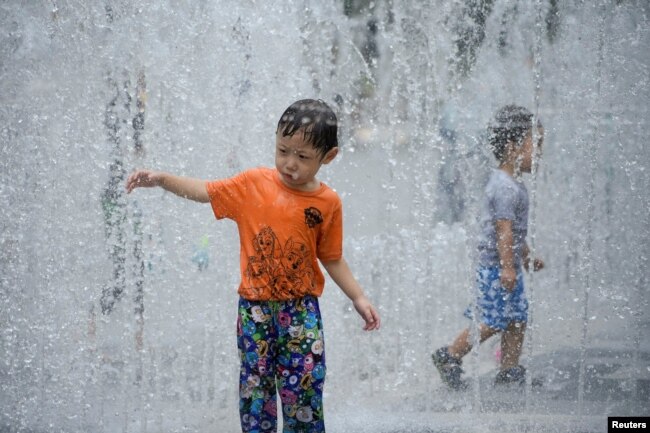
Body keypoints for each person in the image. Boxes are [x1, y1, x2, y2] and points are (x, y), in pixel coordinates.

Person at [125, 99, 381, 432]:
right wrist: (162, 179)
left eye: (302, 157)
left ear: (328, 157)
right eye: (283, 150)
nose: (289, 164)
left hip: (301, 313)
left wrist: (358, 297)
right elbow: (205, 191)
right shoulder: (252, 185)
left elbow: (330, 257)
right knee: (255, 393)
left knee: (303, 391)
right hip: (254, 313)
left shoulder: (327, 203)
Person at [432, 105, 545, 390]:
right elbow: (503, 231)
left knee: (517, 319)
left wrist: (527, 255)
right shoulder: (505, 187)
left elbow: (515, 232)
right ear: (512, 147)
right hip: (495, 267)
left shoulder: (513, 185)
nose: (541, 152)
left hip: (507, 264)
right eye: (537, 144)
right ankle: (450, 355)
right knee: (492, 321)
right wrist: (508, 266)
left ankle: (509, 369)